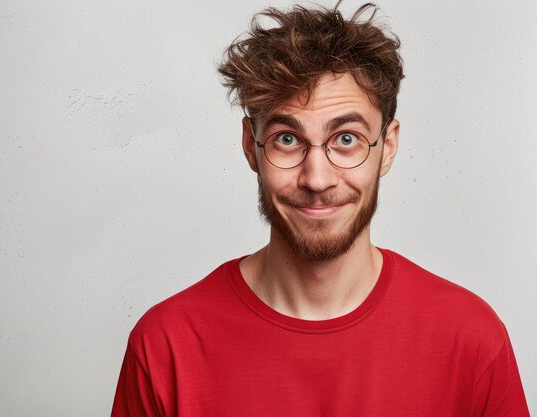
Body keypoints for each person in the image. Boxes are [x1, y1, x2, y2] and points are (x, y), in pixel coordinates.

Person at [111, 3, 530, 416]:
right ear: (249, 146)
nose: (317, 179)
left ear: (387, 147)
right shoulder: (165, 347)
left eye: (346, 139)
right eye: (287, 139)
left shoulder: (471, 340)